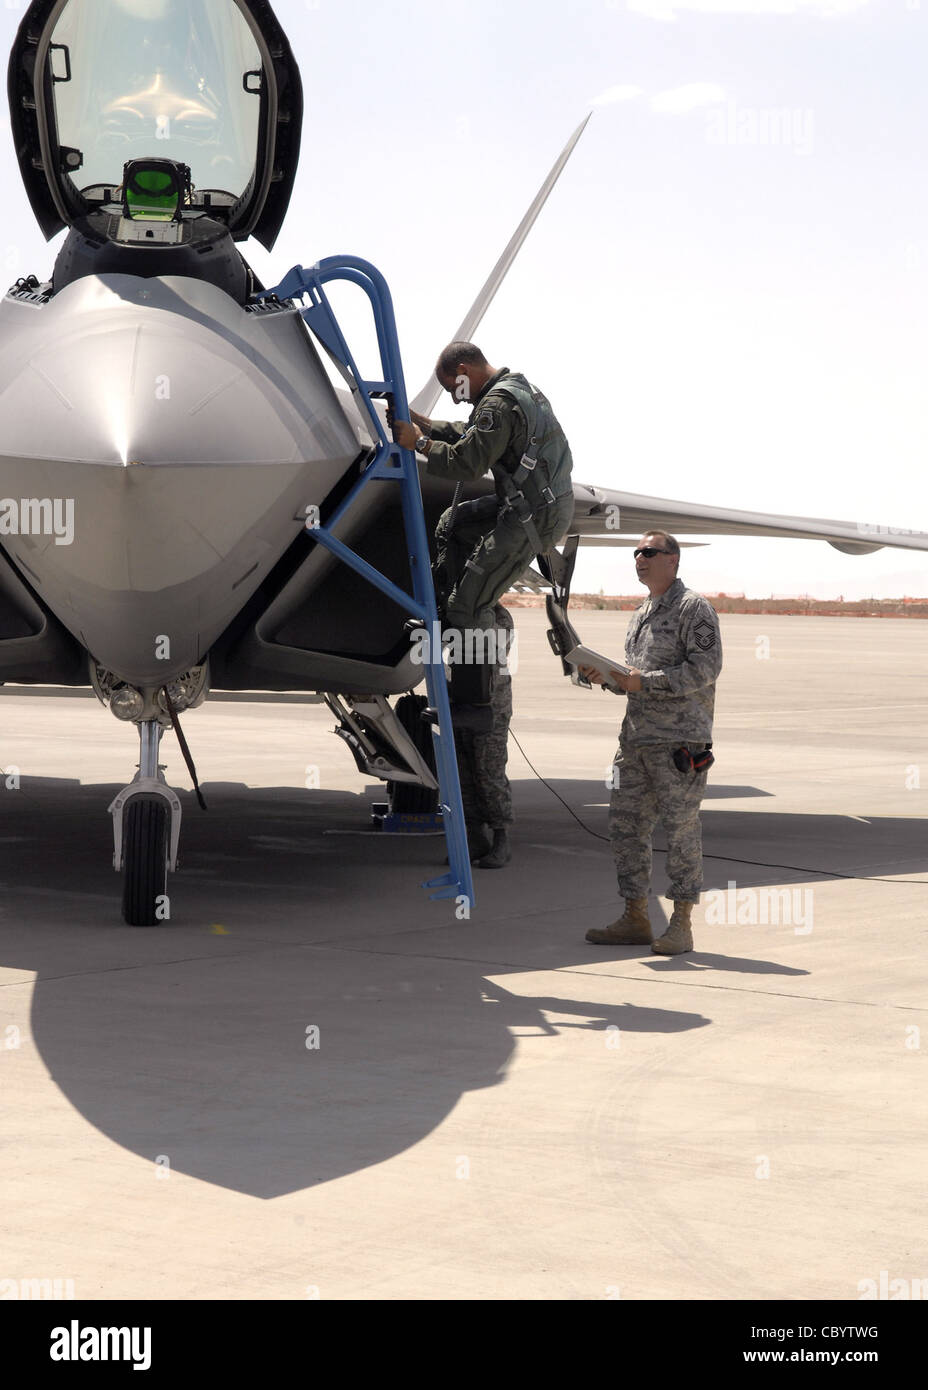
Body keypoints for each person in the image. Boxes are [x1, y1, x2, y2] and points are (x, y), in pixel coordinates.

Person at [392, 342, 573, 728]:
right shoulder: (511, 391)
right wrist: (421, 422)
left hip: (533, 516)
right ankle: (442, 614)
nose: (456, 398)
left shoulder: (495, 405)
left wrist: (419, 443)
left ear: (463, 370)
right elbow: (470, 434)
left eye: (453, 388)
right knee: (451, 524)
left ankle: (475, 705)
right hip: (529, 504)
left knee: (470, 607)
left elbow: (468, 462)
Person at [582, 532, 722, 956]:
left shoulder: (693, 608)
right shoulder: (642, 612)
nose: (640, 559)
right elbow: (636, 680)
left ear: (673, 561)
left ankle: (680, 923)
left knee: (680, 831)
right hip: (637, 741)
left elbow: (706, 668)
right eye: (637, 553)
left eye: (650, 553)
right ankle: (636, 916)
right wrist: (610, 679)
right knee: (626, 829)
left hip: (678, 742)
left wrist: (644, 681)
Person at [455, 604, 514, 870]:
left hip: (491, 707)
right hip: (457, 702)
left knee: (489, 773)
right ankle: (475, 837)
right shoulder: (454, 614)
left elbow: (489, 643)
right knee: (463, 774)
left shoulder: (498, 616)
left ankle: (502, 838)